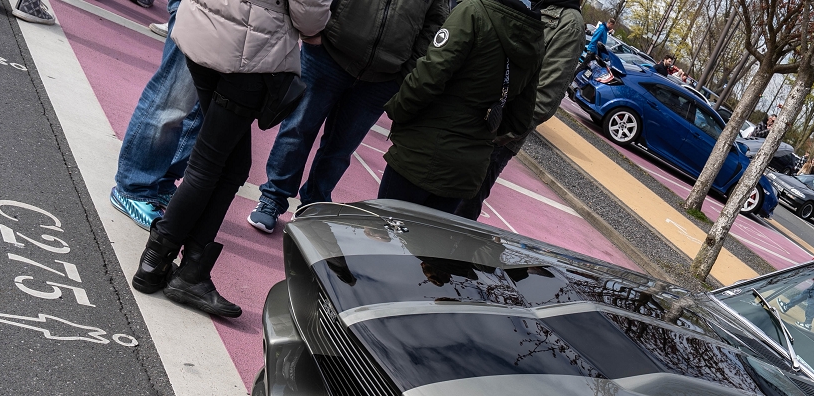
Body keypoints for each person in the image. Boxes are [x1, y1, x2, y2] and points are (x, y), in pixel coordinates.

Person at [131, 0, 333, 319]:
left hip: (204, 27)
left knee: (232, 164)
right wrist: (316, 29)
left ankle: (184, 269)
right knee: (209, 164)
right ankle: (159, 265)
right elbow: (309, 14)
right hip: (248, 48)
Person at [247, 0, 449, 233]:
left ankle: (314, 206)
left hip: (383, 76)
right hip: (328, 52)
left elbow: (436, 21)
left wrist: (406, 70)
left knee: (341, 149)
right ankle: (273, 198)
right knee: (298, 129)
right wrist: (312, 30)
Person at [378, 0, 544, 213]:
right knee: (429, 234)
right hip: (469, 167)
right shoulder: (534, 37)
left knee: (383, 226)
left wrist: (397, 109)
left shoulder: (472, 12)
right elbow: (521, 118)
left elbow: (429, 76)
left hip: (422, 150)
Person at [455, 0, 586, 223]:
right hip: (473, 119)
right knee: (443, 197)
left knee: (461, 208)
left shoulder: (569, 24)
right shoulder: (536, 6)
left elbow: (544, 99)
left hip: (495, 136)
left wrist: (501, 133)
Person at [111, 1, 204, 231]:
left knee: (200, 105)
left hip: (237, 20)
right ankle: (134, 188)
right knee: (173, 96)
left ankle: (161, 182)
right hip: (206, 10)